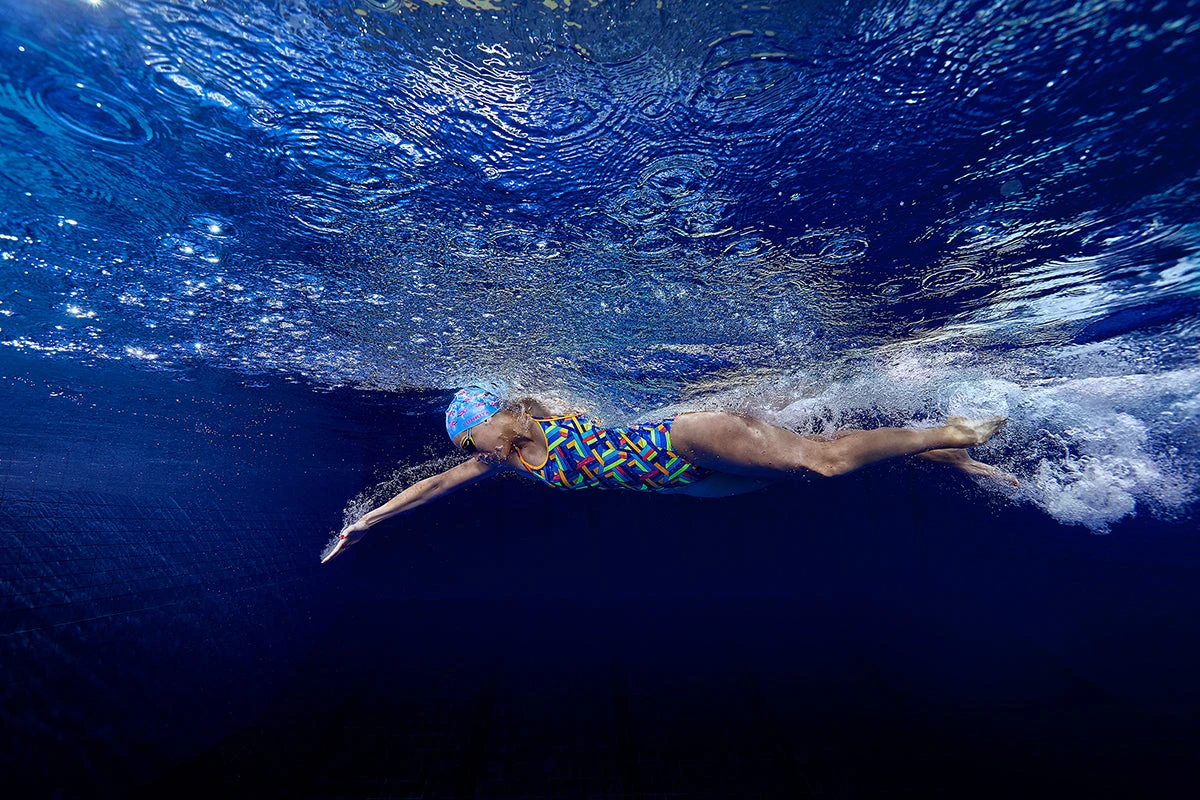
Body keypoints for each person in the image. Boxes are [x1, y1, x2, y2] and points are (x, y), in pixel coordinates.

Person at [321, 386, 1015, 563]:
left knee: (823, 461)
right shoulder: (499, 459)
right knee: (815, 459)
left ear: (501, 412)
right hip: (691, 481)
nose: (487, 453)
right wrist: (367, 520)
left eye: (482, 437)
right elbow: (432, 486)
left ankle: (954, 430)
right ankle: (945, 452)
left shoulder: (555, 406)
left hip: (685, 435)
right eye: (475, 448)